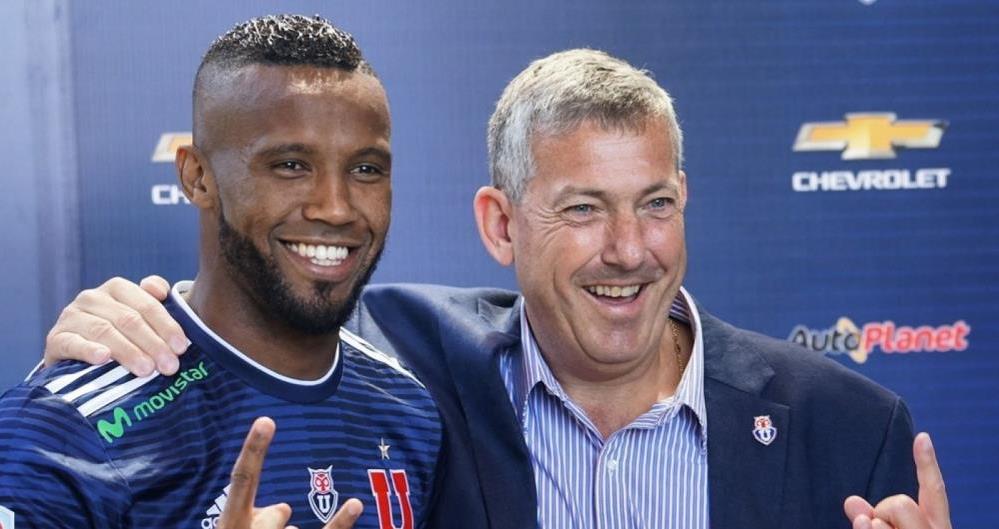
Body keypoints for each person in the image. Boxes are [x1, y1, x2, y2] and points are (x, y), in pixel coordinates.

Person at [39, 48, 952, 529]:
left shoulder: (849, 428)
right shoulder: (401, 364)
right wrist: (122, 329)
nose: (628, 249)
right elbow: (257, 316)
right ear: (500, 225)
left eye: (656, 203)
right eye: (584, 208)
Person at [0, 15, 444, 529]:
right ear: (197, 177)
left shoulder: (410, 409)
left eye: (366, 169)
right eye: (291, 165)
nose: (336, 208)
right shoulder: (64, 426)